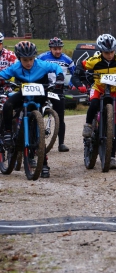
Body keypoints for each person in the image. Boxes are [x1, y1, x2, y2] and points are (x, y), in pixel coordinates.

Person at [74, 34, 116, 170]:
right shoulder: (94, 60)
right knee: (93, 103)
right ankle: (88, 125)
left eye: (111, 52)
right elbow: (80, 67)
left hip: (114, 92)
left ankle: (112, 157)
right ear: (101, 51)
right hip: (99, 89)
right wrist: (80, 77)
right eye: (106, 52)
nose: (109, 55)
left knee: (114, 127)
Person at [0, 41, 64, 178]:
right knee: (8, 105)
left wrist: (59, 78)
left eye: (31, 59)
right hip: (23, 94)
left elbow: (56, 68)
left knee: (38, 131)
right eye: (25, 60)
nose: (28, 63)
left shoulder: (42, 64)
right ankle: (7, 132)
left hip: (39, 95)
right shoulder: (16, 67)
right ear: (19, 59)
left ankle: (44, 163)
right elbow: (3, 74)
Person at [37, 37, 74, 152]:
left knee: (60, 117)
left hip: (58, 90)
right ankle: (36, 141)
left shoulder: (67, 59)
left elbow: (75, 73)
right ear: (50, 48)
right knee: (37, 114)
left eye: (59, 49)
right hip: (43, 88)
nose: (58, 51)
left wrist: (72, 83)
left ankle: (61, 143)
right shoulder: (42, 57)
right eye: (55, 49)